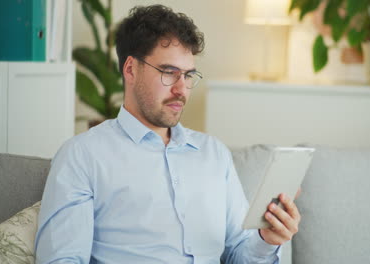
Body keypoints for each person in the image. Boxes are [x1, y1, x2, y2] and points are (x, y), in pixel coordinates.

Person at [35, 4, 301, 264]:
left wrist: (267, 240)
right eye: (169, 73)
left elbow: (240, 255)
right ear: (130, 69)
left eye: (188, 75)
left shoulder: (214, 154)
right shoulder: (82, 155)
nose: (181, 89)